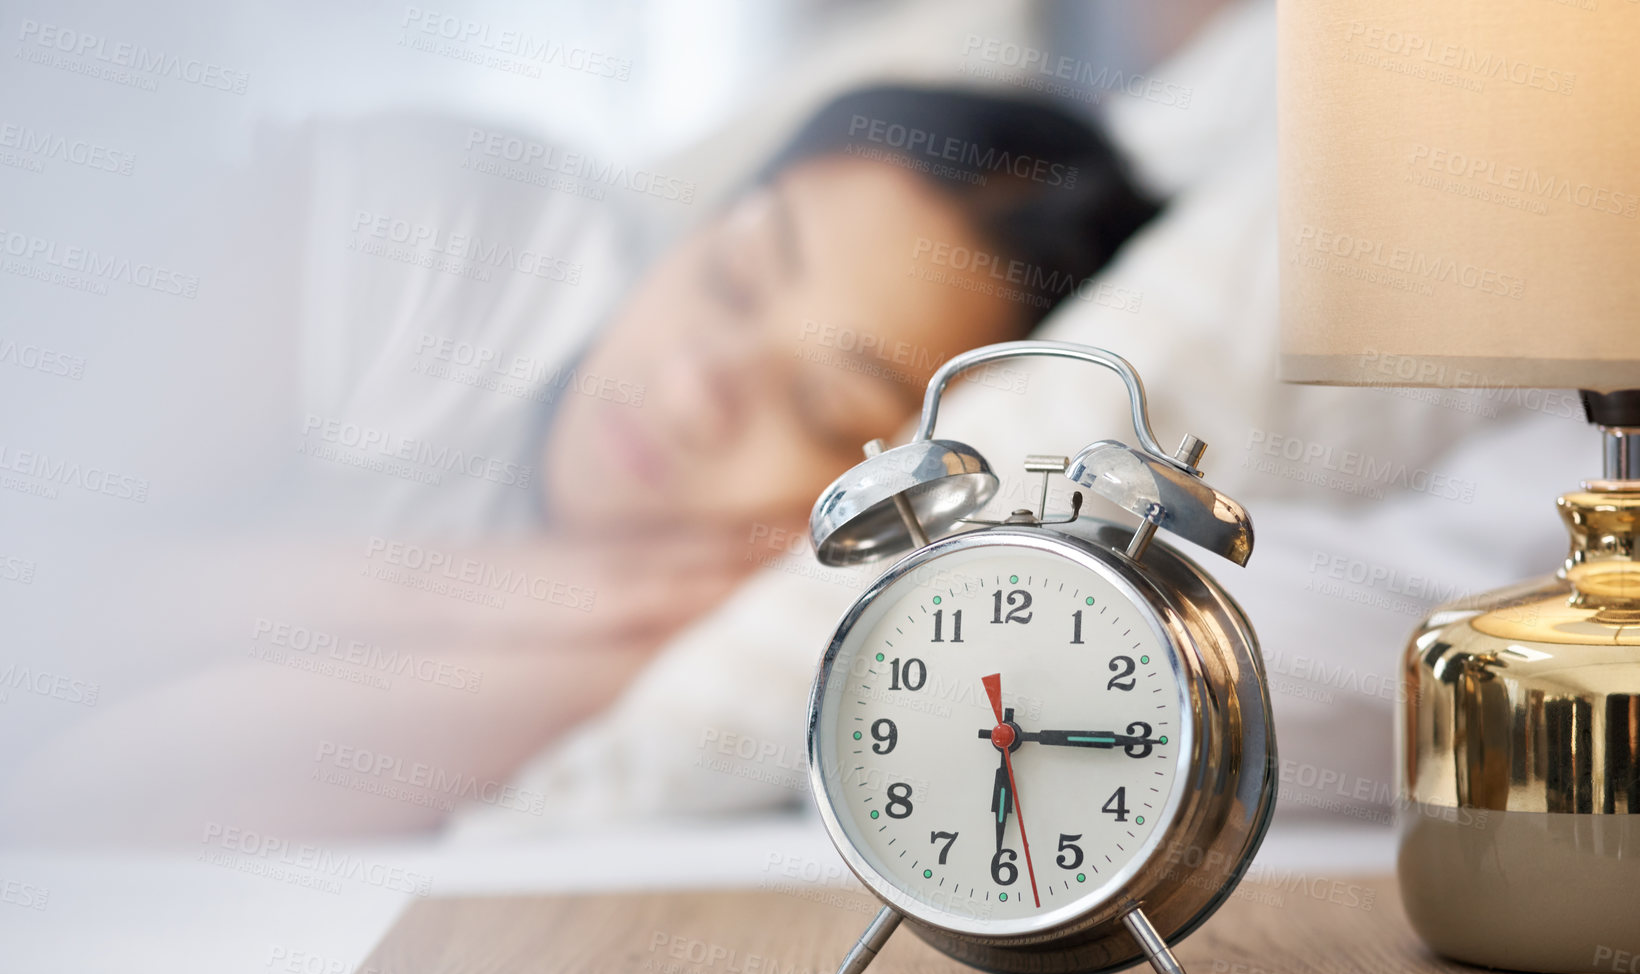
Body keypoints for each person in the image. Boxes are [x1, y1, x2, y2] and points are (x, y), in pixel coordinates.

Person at [0, 86, 1159, 844]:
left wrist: (631, 631)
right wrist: (450, 592)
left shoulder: (739, 638)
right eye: (736, 276)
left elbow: (101, 804)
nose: (705, 385)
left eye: (824, 409)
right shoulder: (440, 235)